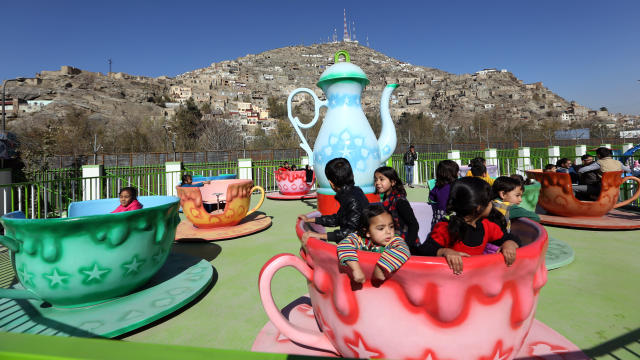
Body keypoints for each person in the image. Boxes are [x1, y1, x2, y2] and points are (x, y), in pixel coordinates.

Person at [414, 177, 520, 274]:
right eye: (489, 202)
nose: (491, 204)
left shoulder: (487, 226)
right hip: (451, 282)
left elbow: (510, 237)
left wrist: (509, 244)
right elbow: (424, 250)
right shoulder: (446, 228)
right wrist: (444, 252)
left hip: (474, 282)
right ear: (478, 208)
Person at [298, 158, 369, 245]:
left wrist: (319, 235)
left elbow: (350, 233)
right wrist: (310, 220)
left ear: (331, 183)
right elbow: (339, 219)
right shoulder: (354, 192)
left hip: (359, 247)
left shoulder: (351, 199)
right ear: (352, 175)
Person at [337, 204, 411, 283]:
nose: (388, 232)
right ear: (368, 232)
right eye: (381, 228)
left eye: (391, 226)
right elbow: (344, 245)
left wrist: (380, 268)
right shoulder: (360, 239)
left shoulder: (394, 241)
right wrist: (356, 269)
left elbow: (403, 250)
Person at [374, 166, 419, 252]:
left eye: (381, 179)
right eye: (376, 180)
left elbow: (414, 225)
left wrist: (407, 247)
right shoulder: (387, 199)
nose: (377, 183)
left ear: (393, 182)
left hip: (406, 245)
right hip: (394, 243)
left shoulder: (400, 201)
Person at [429, 160, 459, 227]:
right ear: (452, 173)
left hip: (440, 216)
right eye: (457, 171)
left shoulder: (438, 186)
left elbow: (431, 197)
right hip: (455, 216)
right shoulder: (458, 185)